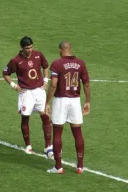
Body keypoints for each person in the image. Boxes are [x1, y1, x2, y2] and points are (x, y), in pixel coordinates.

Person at [45, 41, 91, 174]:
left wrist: (47, 102)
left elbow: (53, 85)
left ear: (60, 50)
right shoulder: (81, 63)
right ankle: (80, 166)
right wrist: (87, 101)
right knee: (77, 133)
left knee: (58, 132)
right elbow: (86, 84)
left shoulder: (57, 63)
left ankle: (58, 167)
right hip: (75, 101)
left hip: (61, 100)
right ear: (71, 49)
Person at [2, 36, 53, 156]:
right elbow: (5, 73)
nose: (30, 50)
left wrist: (45, 80)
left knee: (45, 116)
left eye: (31, 47)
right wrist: (14, 85)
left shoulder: (38, 55)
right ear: (21, 48)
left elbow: (45, 66)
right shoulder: (15, 60)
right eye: (27, 48)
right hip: (26, 93)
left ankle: (48, 146)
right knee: (25, 118)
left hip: (39, 90)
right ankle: (28, 145)